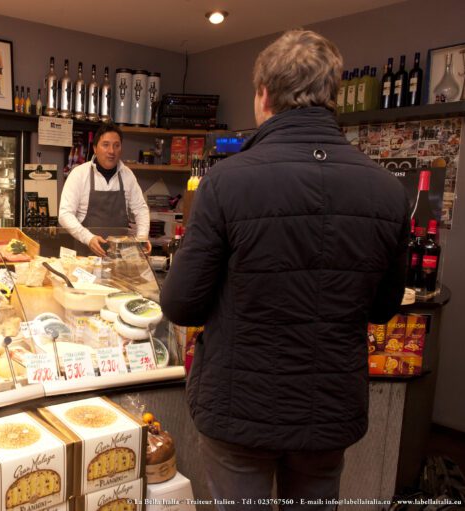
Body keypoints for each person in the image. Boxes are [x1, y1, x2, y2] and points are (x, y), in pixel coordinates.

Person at [160, 30, 409, 507]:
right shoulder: (386, 190)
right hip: (329, 407)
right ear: (332, 95)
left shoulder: (226, 182)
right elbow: (382, 307)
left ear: (263, 95)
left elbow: (180, 303)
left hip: (239, 408)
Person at [59, 123, 150, 256]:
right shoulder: (79, 174)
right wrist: (88, 238)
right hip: (85, 259)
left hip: (120, 259)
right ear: (95, 148)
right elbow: (64, 214)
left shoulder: (127, 175)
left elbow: (141, 209)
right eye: (105, 145)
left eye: (116, 145)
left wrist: (142, 238)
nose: (111, 151)